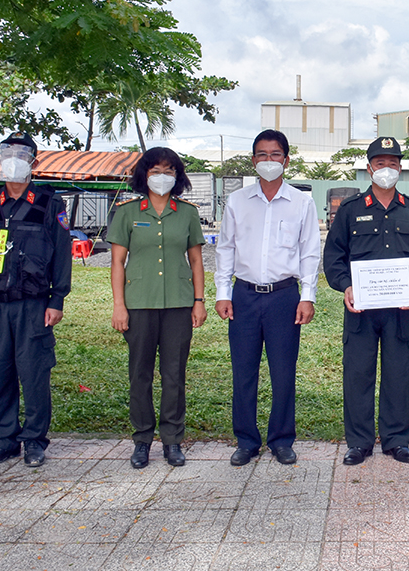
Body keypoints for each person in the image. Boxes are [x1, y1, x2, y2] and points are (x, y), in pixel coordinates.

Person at [323, 137, 409, 465]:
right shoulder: (350, 210)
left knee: (398, 373)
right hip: (361, 310)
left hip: (400, 310)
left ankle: (396, 440)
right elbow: (334, 257)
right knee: (358, 374)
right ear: (369, 166)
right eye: (381, 162)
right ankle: (358, 442)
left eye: (393, 162)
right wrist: (345, 286)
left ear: (400, 166)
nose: (387, 168)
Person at [0, 132, 72, 468]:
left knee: (34, 374)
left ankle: (35, 440)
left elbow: (62, 257)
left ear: (32, 162)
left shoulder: (50, 206)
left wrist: (57, 299)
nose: (13, 159)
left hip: (33, 304)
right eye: (6, 152)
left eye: (21, 154)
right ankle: (3, 440)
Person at [215, 130, 320, 467]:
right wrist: (221, 293)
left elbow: (309, 253)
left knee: (283, 371)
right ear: (253, 160)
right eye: (262, 155)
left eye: (276, 155)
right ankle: (246, 440)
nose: (269, 161)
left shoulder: (302, 202)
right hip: (243, 295)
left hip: (284, 297)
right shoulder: (237, 201)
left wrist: (308, 296)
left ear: (286, 160)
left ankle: (281, 439)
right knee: (243, 371)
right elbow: (225, 249)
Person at [108, 147, 206, 469]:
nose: (162, 176)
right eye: (155, 170)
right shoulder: (127, 212)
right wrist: (119, 306)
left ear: (177, 176)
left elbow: (195, 260)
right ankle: (141, 440)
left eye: (168, 170)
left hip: (179, 303)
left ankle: (173, 440)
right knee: (140, 374)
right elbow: (118, 263)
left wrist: (199, 300)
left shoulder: (187, 213)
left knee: (174, 374)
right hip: (139, 305)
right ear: (144, 174)